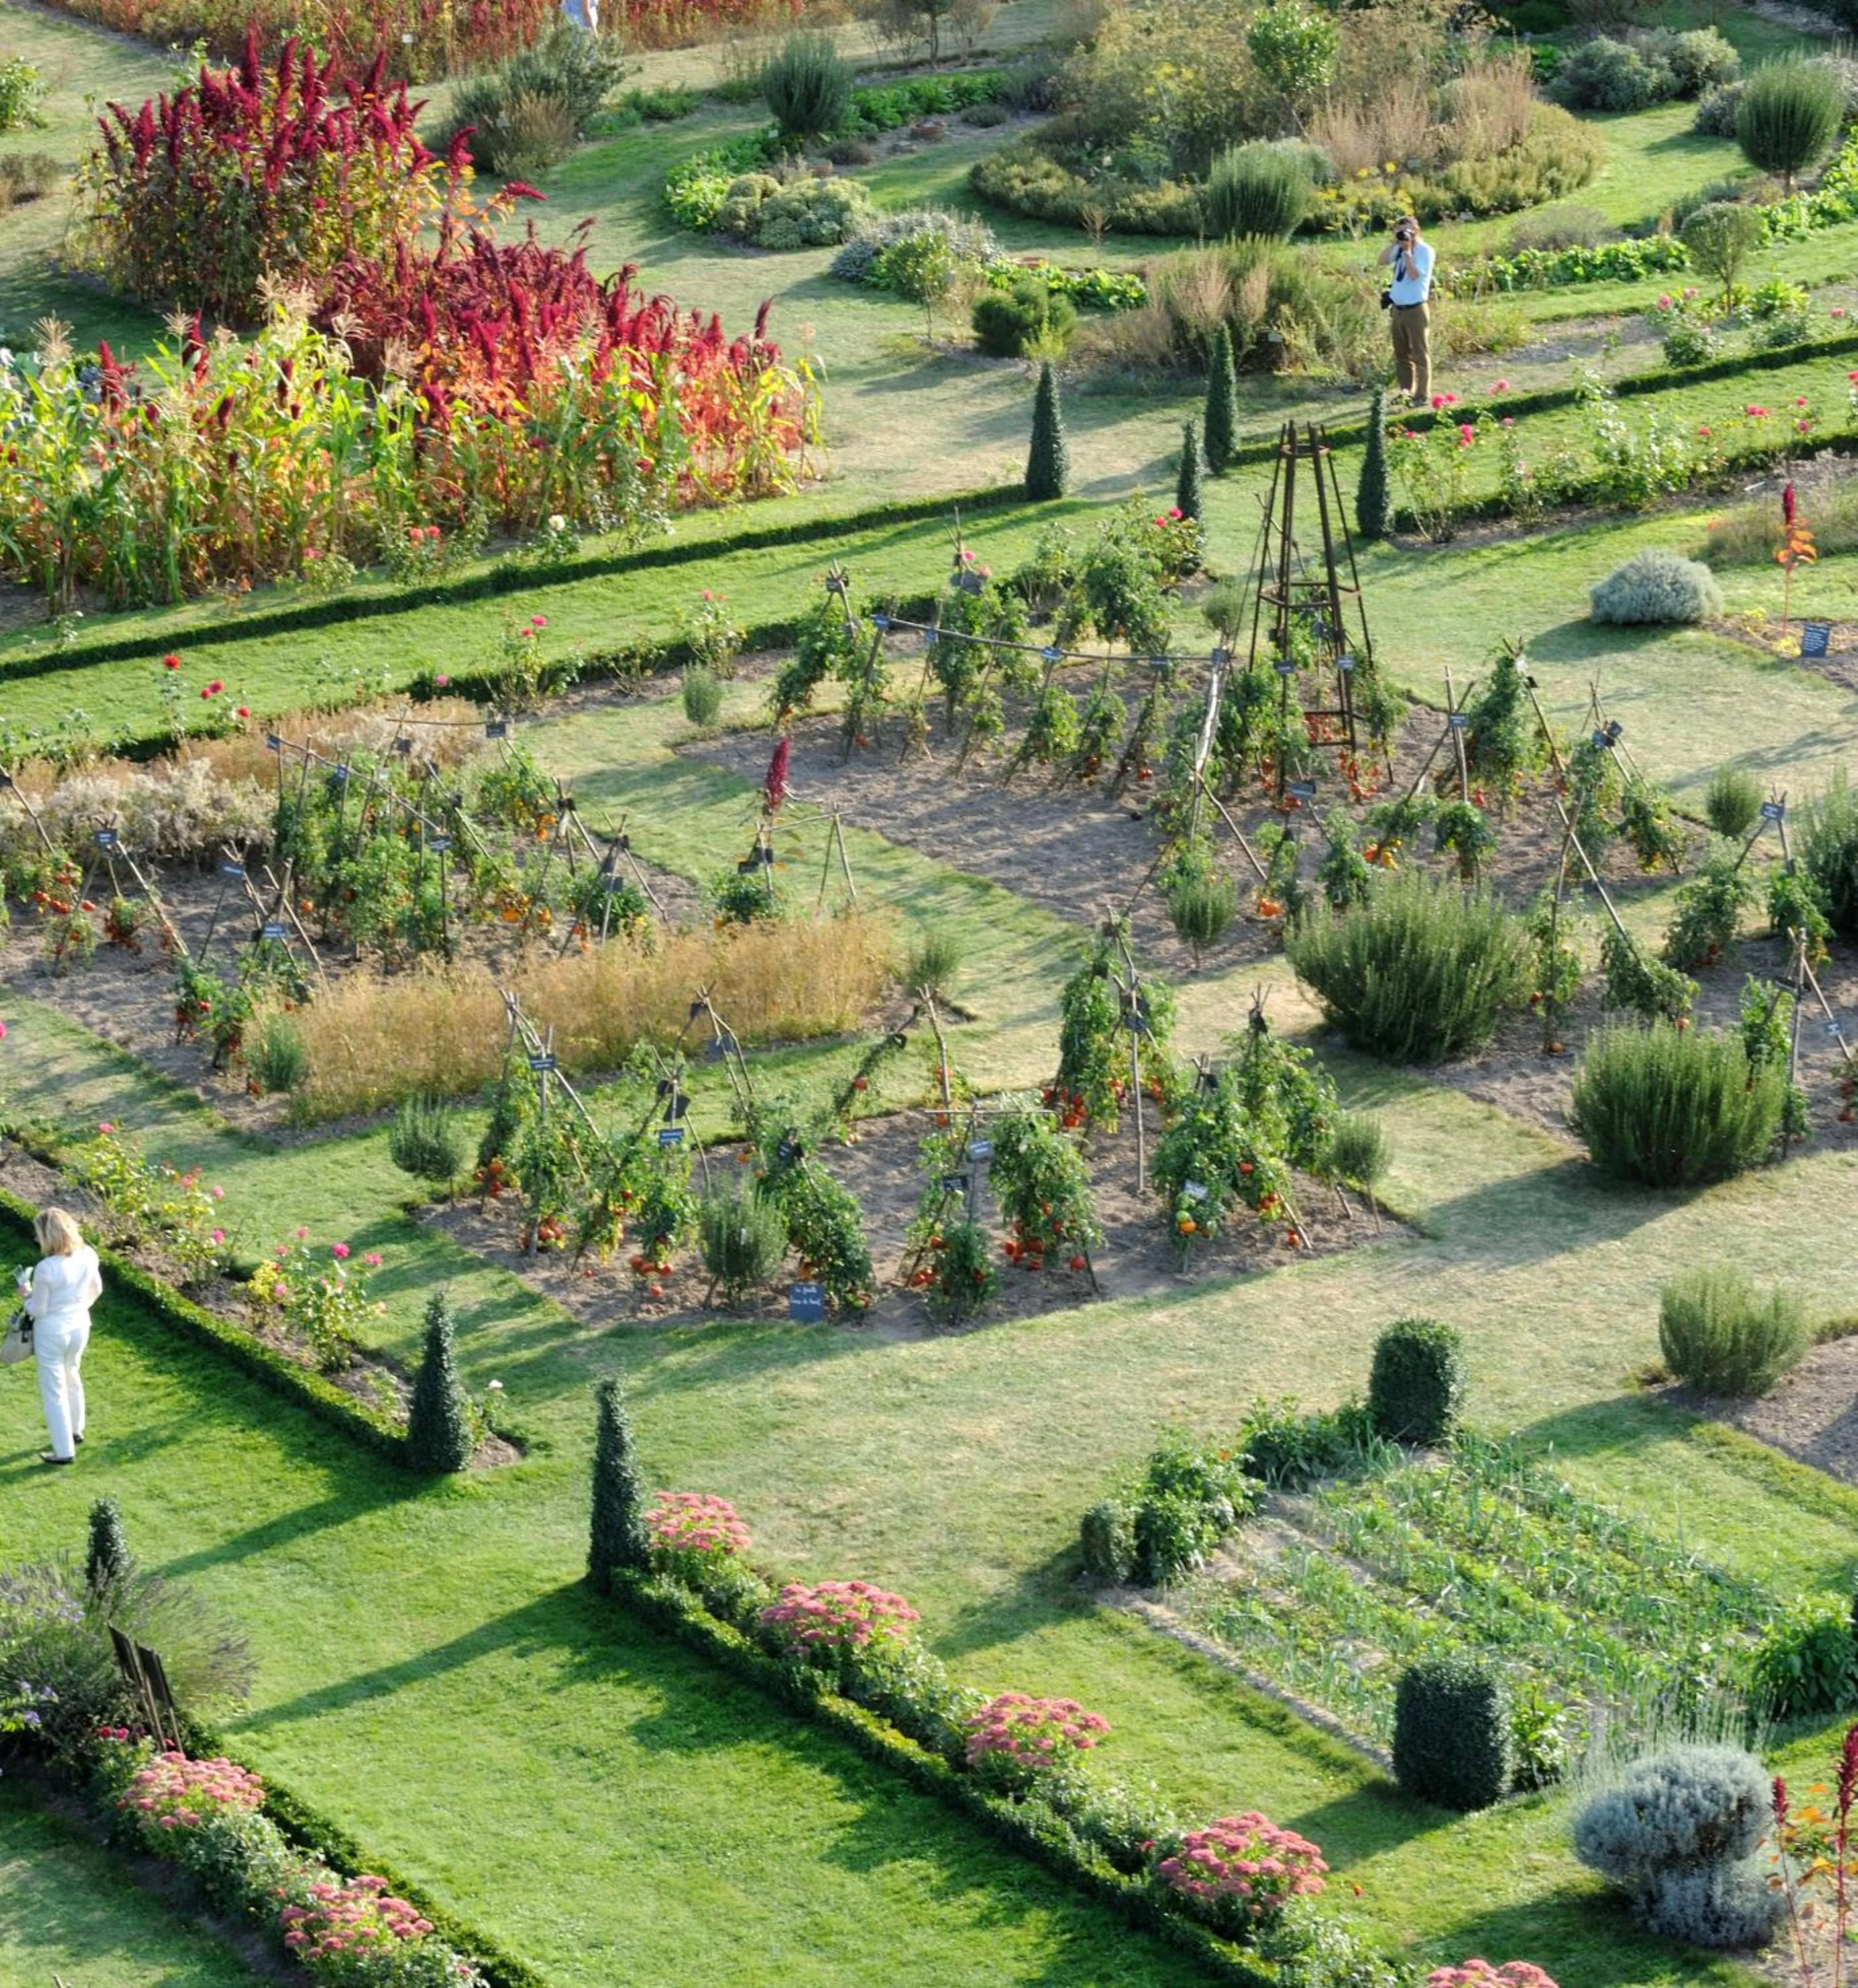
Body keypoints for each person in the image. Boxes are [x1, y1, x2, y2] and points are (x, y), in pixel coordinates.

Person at [17, 1207, 101, 1466]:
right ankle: (76, 1430)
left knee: (54, 1390)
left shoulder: (46, 1268)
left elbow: (38, 1310)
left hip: (52, 1332)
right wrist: (76, 1308)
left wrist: (26, 1296)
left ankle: (64, 1451)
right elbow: (96, 1290)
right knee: (72, 1375)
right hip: (79, 1326)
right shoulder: (88, 1254)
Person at [1378, 215, 1435, 406]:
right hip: (1398, 309)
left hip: (1416, 310)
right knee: (1401, 355)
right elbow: (1382, 261)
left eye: (1409, 230)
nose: (1406, 234)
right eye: (1401, 230)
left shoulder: (1425, 251)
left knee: (1420, 354)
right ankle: (1405, 392)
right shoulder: (1399, 247)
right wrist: (1396, 242)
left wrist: (1408, 252)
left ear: (1417, 230)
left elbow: (1414, 275)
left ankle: (1421, 396)